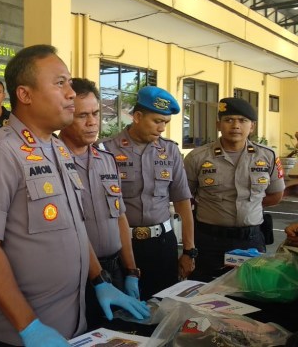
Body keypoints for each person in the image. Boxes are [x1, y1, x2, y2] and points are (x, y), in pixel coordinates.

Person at [0, 44, 149, 347]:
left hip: (69, 325)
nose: (71, 93)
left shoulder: (58, 149)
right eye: (60, 83)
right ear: (25, 95)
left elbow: (75, 227)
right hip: (17, 335)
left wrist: (100, 280)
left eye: (70, 83)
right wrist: (29, 327)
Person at [98, 86, 195, 300]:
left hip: (162, 246)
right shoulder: (105, 151)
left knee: (163, 307)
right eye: (157, 121)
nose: (161, 128)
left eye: (165, 123)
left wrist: (189, 250)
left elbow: (182, 201)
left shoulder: (170, 150)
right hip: (121, 247)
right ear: (138, 116)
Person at [59, 78, 141, 329]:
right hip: (77, 276)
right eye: (82, 115)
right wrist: (98, 280)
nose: (93, 121)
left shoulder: (106, 159)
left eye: (96, 113)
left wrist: (131, 271)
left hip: (115, 270)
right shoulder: (53, 161)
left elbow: (120, 217)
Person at [184, 97, 284, 281]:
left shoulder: (268, 156)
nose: (235, 125)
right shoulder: (197, 157)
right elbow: (185, 198)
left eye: (242, 120)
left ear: (251, 126)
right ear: (218, 125)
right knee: (204, 292)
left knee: (250, 291)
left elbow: (276, 195)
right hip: (208, 240)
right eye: (229, 120)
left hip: (251, 239)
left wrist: (250, 205)